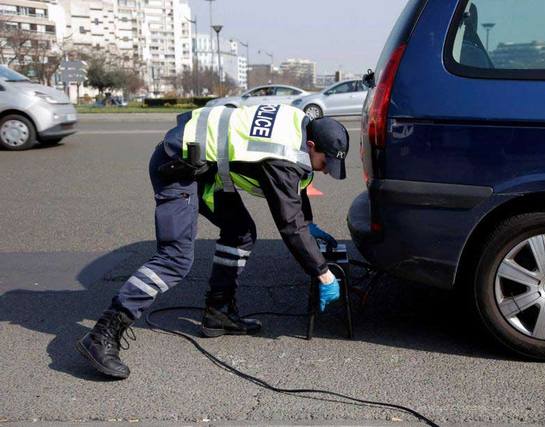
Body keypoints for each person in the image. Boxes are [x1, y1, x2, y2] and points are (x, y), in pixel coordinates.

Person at [76, 104, 350, 379]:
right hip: (177, 166)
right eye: (326, 162)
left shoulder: (298, 125)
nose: (326, 171)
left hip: (205, 169)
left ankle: (218, 312)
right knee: (175, 258)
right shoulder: (283, 156)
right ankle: (103, 334)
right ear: (312, 144)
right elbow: (289, 223)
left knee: (240, 232)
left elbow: (296, 186)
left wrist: (309, 223)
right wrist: (322, 273)